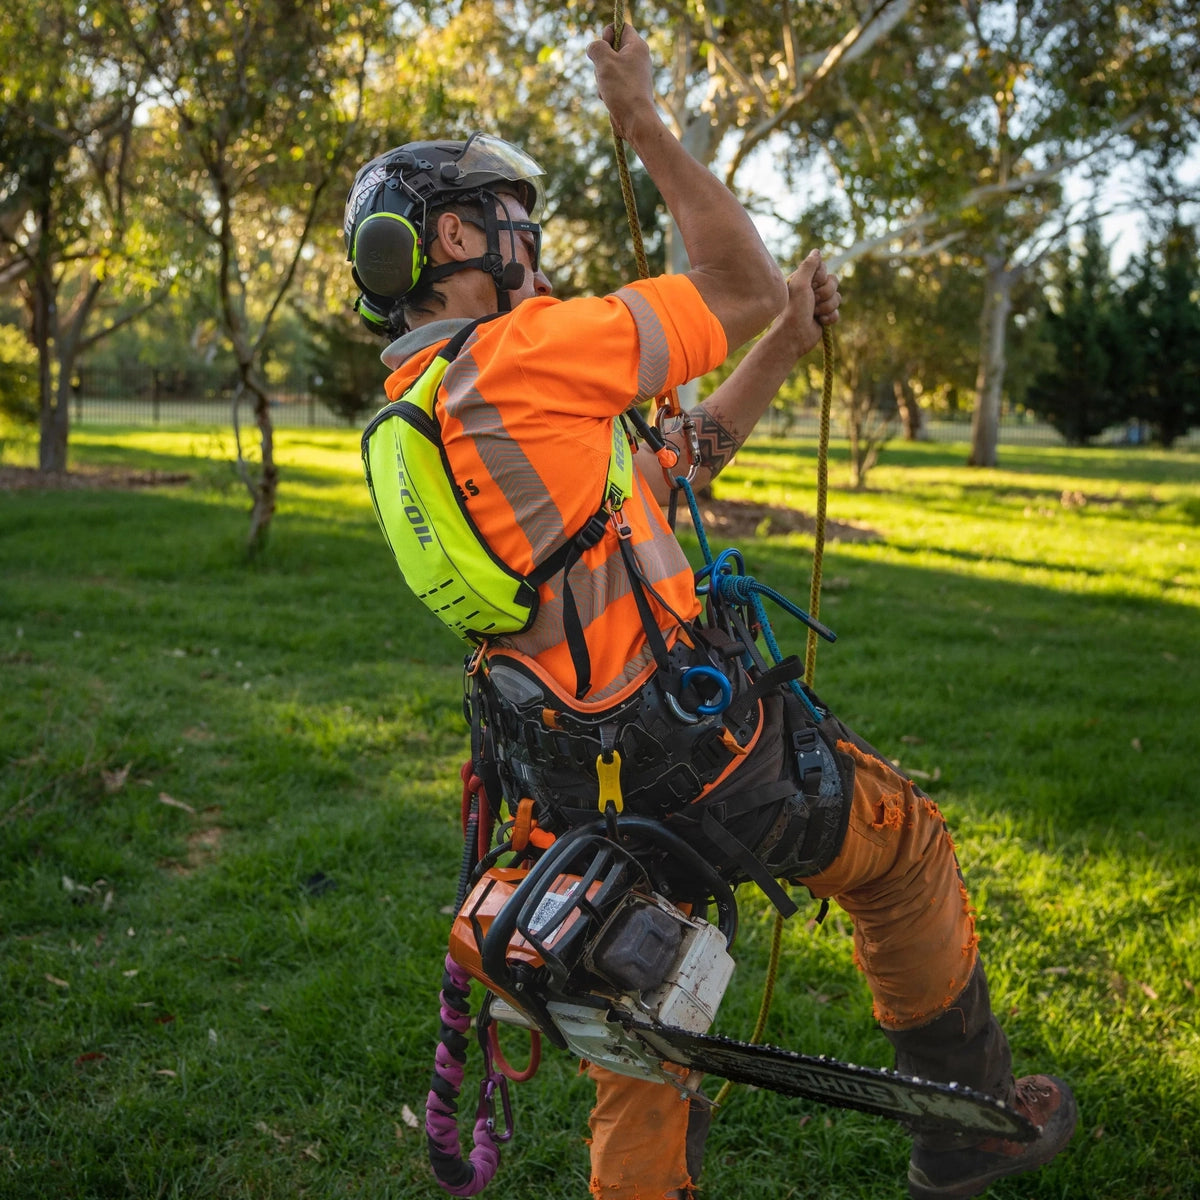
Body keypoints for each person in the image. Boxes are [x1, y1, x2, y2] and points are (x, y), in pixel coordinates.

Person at [345, 23, 1077, 1200]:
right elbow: (730, 279)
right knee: (905, 854)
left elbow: (672, 468)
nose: (533, 242)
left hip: (574, 793)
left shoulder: (428, 404)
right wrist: (642, 121)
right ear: (453, 238)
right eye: (512, 218)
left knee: (639, 1045)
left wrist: (786, 340)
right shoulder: (524, 356)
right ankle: (971, 1126)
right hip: (705, 762)